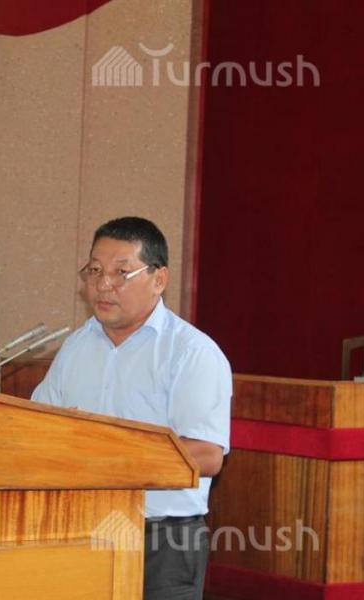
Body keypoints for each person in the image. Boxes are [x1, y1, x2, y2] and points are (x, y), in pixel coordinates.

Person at [32, 217, 231, 600]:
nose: (103, 285)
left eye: (121, 273)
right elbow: (37, 427)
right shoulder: (76, 347)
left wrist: (108, 454)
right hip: (79, 529)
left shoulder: (191, 352)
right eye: (95, 271)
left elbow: (207, 456)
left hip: (161, 540)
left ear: (159, 279)